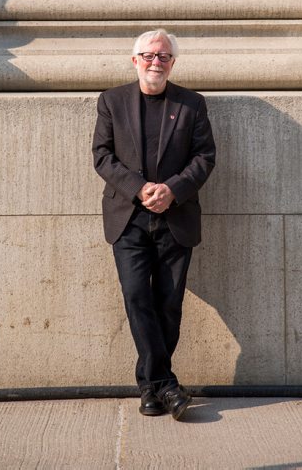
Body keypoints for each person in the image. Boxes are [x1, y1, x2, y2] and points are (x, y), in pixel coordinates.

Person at [92, 29, 216, 420]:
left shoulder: (192, 105)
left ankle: (150, 388)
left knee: (168, 303)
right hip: (128, 217)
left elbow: (204, 157)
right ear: (135, 60)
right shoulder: (112, 101)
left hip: (175, 217)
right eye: (148, 56)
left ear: (173, 63)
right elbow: (102, 155)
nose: (155, 62)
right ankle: (166, 386)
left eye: (163, 57)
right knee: (137, 297)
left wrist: (172, 189)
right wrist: (140, 188)